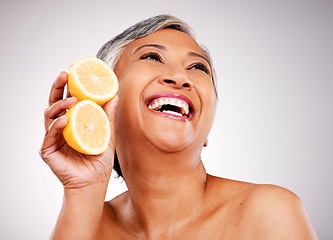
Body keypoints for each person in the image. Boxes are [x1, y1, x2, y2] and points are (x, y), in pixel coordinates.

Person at [40, 14, 317, 239]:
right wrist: (82, 190)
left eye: (198, 67)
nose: (179, 77)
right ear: (102, 101)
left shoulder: (269, 213)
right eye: (151, 57)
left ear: (207, 129)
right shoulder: (84, 228)